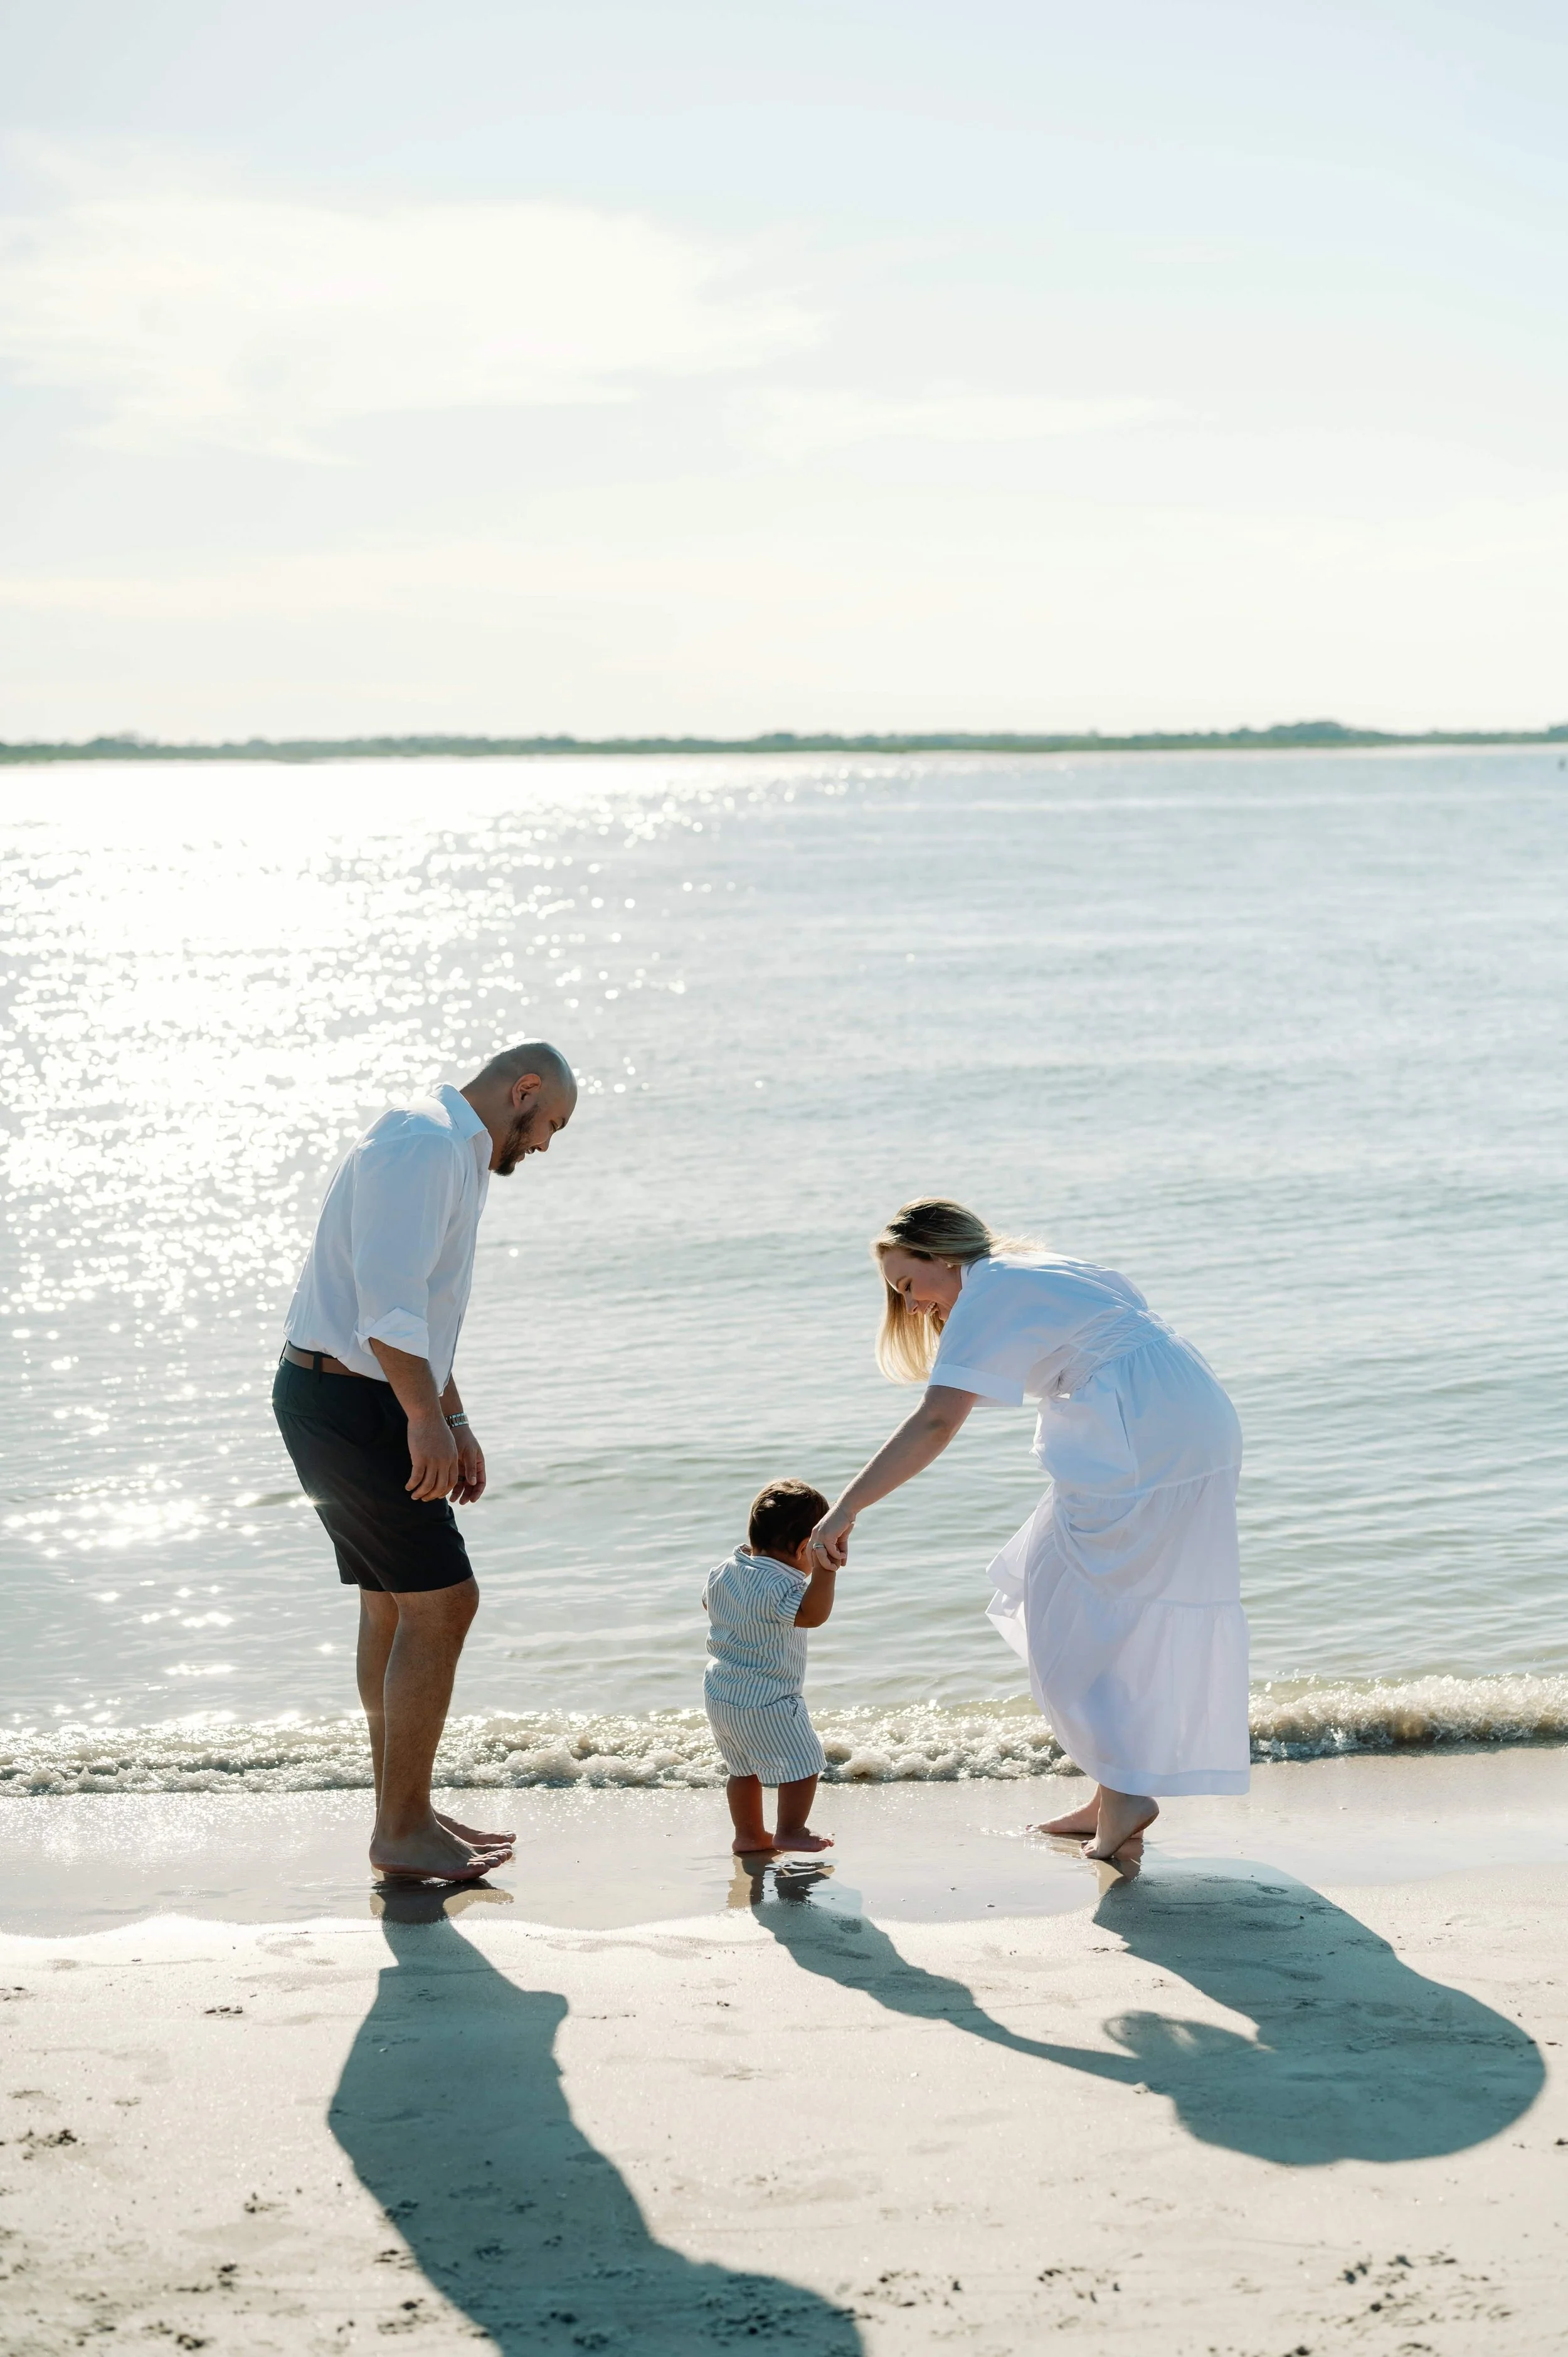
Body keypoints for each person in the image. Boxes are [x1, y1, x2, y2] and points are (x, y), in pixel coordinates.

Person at [807, 1199, 1249, 1867]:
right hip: (1179, 1418)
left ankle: (1125, 1793)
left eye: (908, 1285)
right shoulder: (1028, 1271)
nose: (916, 1306)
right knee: (1078, 1605)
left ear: (941, 1255)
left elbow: (937, 1421)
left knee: (1065, 1616)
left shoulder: (993, 1287)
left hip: (1144, 1436)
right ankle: (1112, 1793)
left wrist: (845, 1507)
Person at [273, 1041, 577, 1884]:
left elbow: (424, 1313)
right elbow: (387, 1305)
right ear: (524, 1091)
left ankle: (402, 1812)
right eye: (550, 1122)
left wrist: (453, 1413)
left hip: (352, 1394)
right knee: (443, 1604)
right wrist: (421, 1417)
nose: (546, 1144)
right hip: (351, 1399)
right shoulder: (426, 1143)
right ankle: (400, 1827)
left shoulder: (452, 1150)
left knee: (394, 1607)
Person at [703, 1480, 838, 1857]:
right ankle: (790, 1831)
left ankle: (748, 1836)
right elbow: (812, 1616)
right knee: (805, 1763)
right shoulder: (783, 1585)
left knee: (742, 1770)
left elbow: (707, 1604)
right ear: (802, 1548)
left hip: (721, 1694)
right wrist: (827, 1573)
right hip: (769, 1698)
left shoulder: (724, 1570)